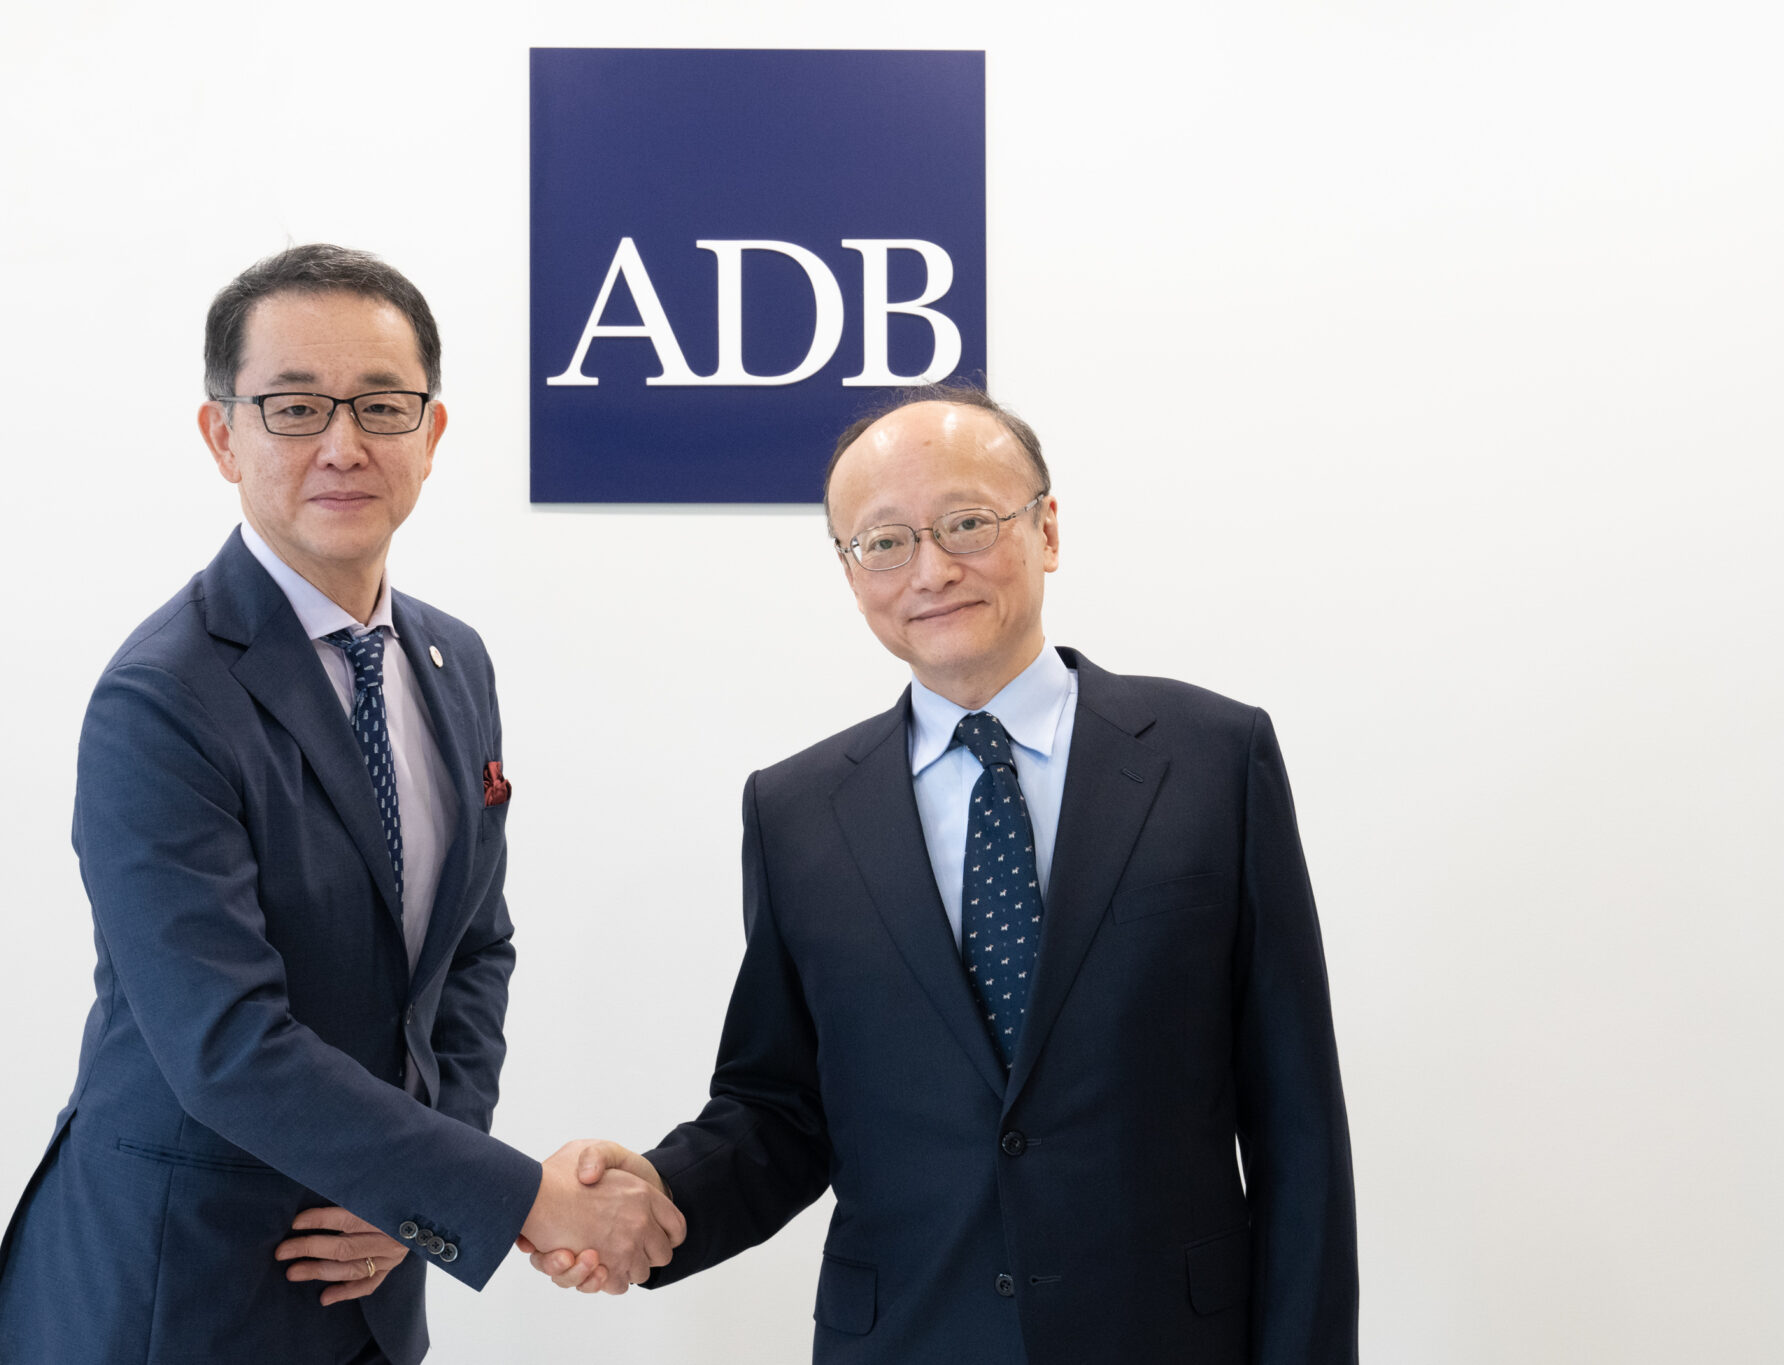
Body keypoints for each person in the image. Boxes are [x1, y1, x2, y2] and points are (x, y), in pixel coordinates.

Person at [527, 387, 1358, 1363]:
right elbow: (781, 1110)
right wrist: (659, 1196)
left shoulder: (1212, 758)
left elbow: (1297, 1125)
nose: (930, 570)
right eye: (883, 542)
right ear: (850, 573)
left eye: (967, 523)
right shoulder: (796, 812)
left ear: (1047, 529)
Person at [0, 244, 682, 1365]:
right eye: (295, 407)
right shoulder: (160, 697)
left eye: (382, 406)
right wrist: (516, 1198)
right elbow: (225, 1043)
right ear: (223, 436)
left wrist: (419, 1192)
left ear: (431, 434)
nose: (344, 445)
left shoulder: (454, 660)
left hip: (370, 1287)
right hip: (176, 1294)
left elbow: (472, 951)